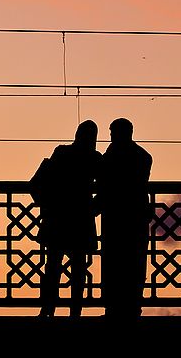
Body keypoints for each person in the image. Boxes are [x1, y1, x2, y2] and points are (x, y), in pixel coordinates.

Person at [32, 120, 102, 317]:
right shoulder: (95, 158)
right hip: (81, 219)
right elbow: (106, 186)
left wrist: (48, 205)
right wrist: (93, 208)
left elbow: (43, 179)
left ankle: (47, 309)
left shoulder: (61, 152)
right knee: (78, 268)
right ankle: (75, 312)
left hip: (57, 217)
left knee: (53, 265)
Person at [97, 118, 153, 318]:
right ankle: (133, 305)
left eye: (112, 132)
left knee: (115, 262)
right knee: (135, 261)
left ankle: (114, 307)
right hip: (136, 215)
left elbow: (105, 183)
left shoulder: (111, 156)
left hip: (115, 217)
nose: (110, 136)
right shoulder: (143, 156)